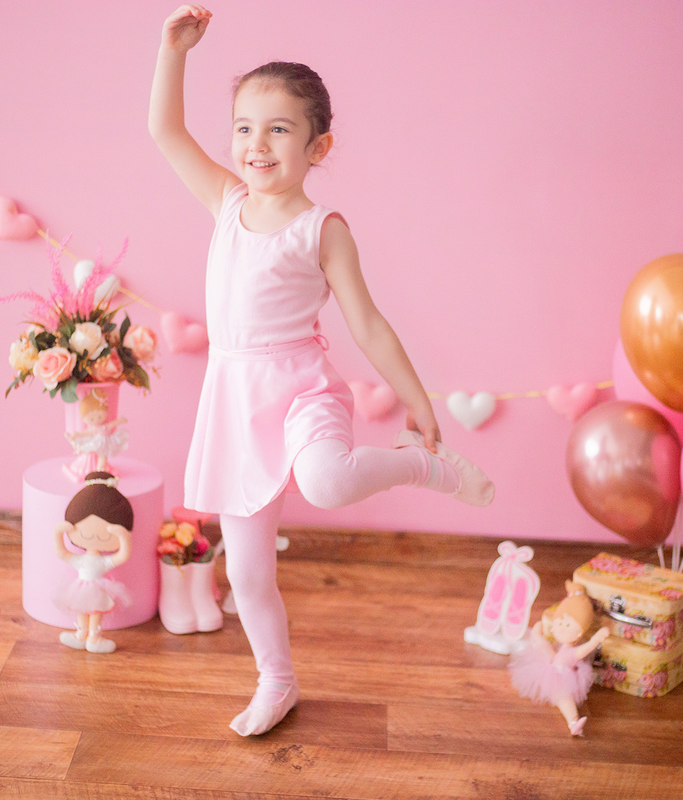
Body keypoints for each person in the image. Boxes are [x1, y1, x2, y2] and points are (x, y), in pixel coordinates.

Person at [148, 4, 495, 736]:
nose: (256, 143)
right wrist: (173, 50)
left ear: (317, 144)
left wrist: (417, 401)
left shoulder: (322, 229)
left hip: (300, 388)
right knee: (244, 576)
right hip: (235, 400)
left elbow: (368, 324)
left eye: (278, 128)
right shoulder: (227, 201)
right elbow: (164, 131)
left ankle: (421, 469)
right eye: (244, 127)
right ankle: (277, 680)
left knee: (329, 480)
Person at [509, 581, 610, 736]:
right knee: (543, 646)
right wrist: (537, 633)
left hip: (561, 677)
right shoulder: (557, 649)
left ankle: (573, 722)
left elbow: (585, 649)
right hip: (548, 669)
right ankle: (573, 722)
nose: (562, 627)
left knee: (565, 700)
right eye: (560, 622)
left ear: (579, 633)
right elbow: (541, 645)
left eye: (568, 625)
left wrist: (595, 640)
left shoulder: (571, 652)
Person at [53, 471, 134, 654]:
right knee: (82, 609)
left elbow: (122, 556)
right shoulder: (82, 560)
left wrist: (123, 536)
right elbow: (62, 553)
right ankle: (81, 635)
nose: (93, 535)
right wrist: (58, 532)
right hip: (81, 589)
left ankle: (94, 638)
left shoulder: (102, 561)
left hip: (98, 588)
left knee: (95, 611)